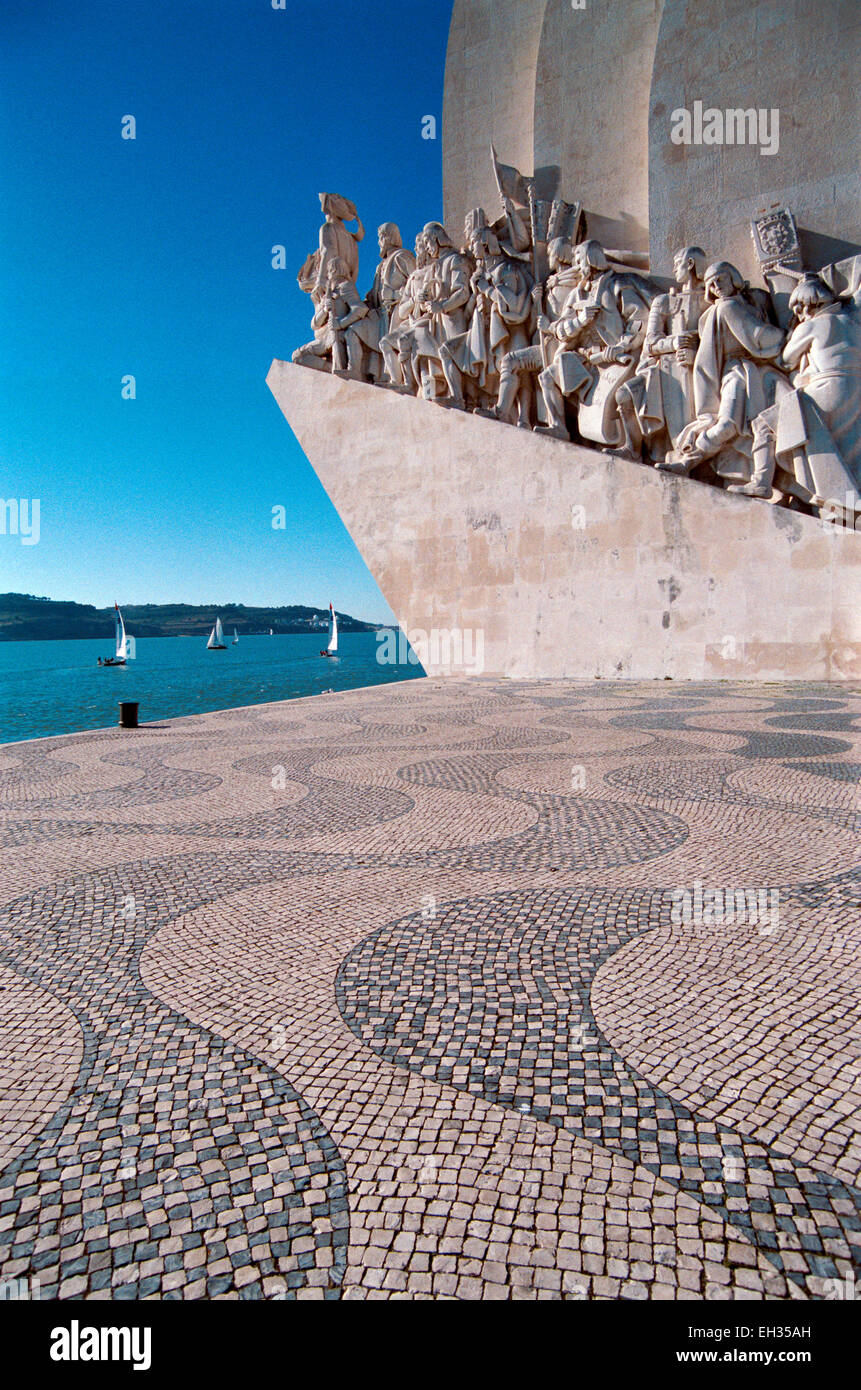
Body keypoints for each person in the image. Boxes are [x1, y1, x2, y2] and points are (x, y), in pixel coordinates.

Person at [729, 274, 861, 511]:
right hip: (854, 391)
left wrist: (791, 333)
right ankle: (835, 507)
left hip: (827, 389)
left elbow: (785, 359)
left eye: (799, 308)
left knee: (764, 423)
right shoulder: (852, 321)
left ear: (808, 305)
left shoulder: (812, 325)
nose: (799, 314)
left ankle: (761, 483)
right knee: (846, 453)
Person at [658, 260, 789, 484]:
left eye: (720, 279)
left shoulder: (751, 301)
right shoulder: (727, 307)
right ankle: (688, 462)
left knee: (768, 426)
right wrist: (789, 334)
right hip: (736, 372)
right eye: (710, 284)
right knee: (730, 425)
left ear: (733, 278)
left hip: (756, 373)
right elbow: (758, 336)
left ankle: (771, 483)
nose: (716, 286)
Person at [616, 246, 708, 462]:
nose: (674, 270)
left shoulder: (710, 302)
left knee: (684, 433)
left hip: (695, 368)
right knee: (624, 394)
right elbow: (650, 343)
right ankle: (632, 448)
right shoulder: (664, 301)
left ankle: (681, 454)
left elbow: (717, 341)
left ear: (690, 264)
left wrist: (696, 353)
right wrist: (675, 341)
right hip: (661, 371)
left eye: (678, 264)